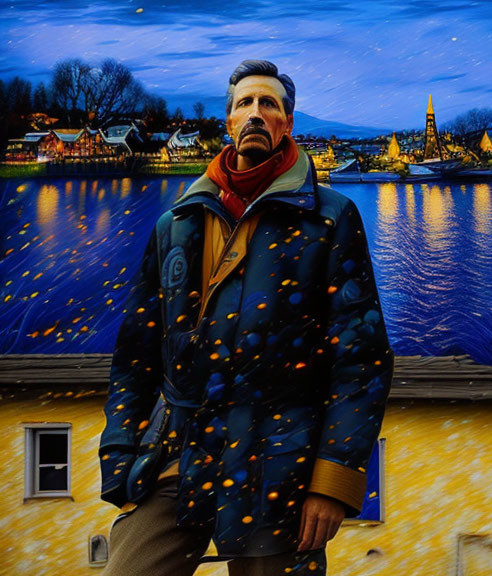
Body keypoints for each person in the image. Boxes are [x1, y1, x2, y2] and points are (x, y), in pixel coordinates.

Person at [99, 59, 394, 576]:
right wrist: (121, 455)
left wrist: (332, 480)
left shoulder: (330, 218)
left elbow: (361, 362)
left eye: (269, 104)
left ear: (287, 124)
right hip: (175, 454)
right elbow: (136, 354)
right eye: (244, 104)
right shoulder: (177, 223)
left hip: (280, 462)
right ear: (229, 122)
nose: (255, 113)